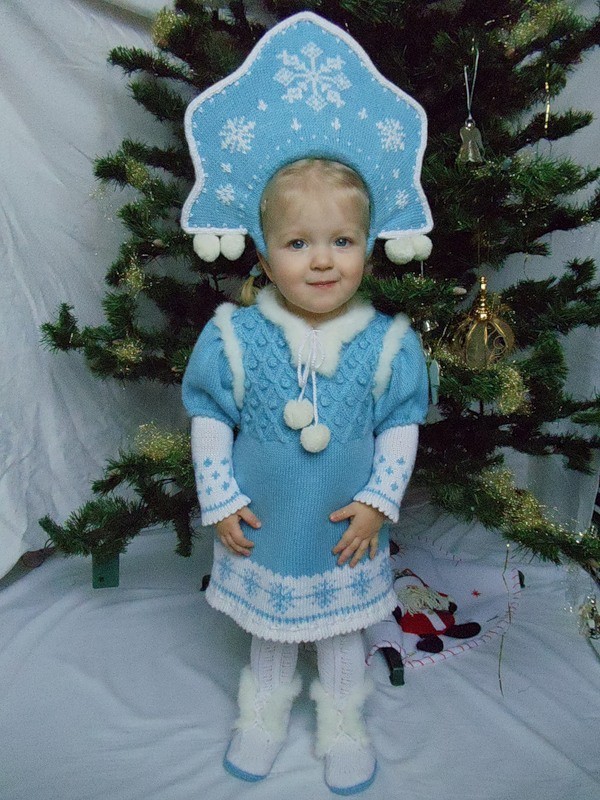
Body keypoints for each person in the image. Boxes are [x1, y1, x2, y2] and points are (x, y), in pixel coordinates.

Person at [180, 12, 433, 795]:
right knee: (271, 632)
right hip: (265, 520)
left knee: (343, 633)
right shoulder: (234, 337)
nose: (322, 261)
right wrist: (220, 495)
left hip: (342, 526)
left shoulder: (387, 344)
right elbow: (209, 416)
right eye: (298, 244)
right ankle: (260, 717)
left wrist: (378, 501)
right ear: (263, 253)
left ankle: (344, 724)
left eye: (341, 242)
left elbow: (400, 426)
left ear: (370, 247)